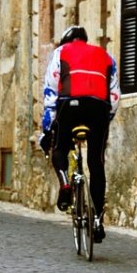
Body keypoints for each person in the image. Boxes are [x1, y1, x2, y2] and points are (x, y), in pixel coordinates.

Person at [39, 26, 121, 242]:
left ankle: (65, 183)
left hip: (70, 106)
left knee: (60, 148)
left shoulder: (60, 53)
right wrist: (105, 122)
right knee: (96, 162)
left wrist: (48, 127)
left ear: (66, 41)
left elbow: (51, 92)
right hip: (98, 109)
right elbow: (114, 96)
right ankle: (97, 221)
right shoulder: (106, 56)